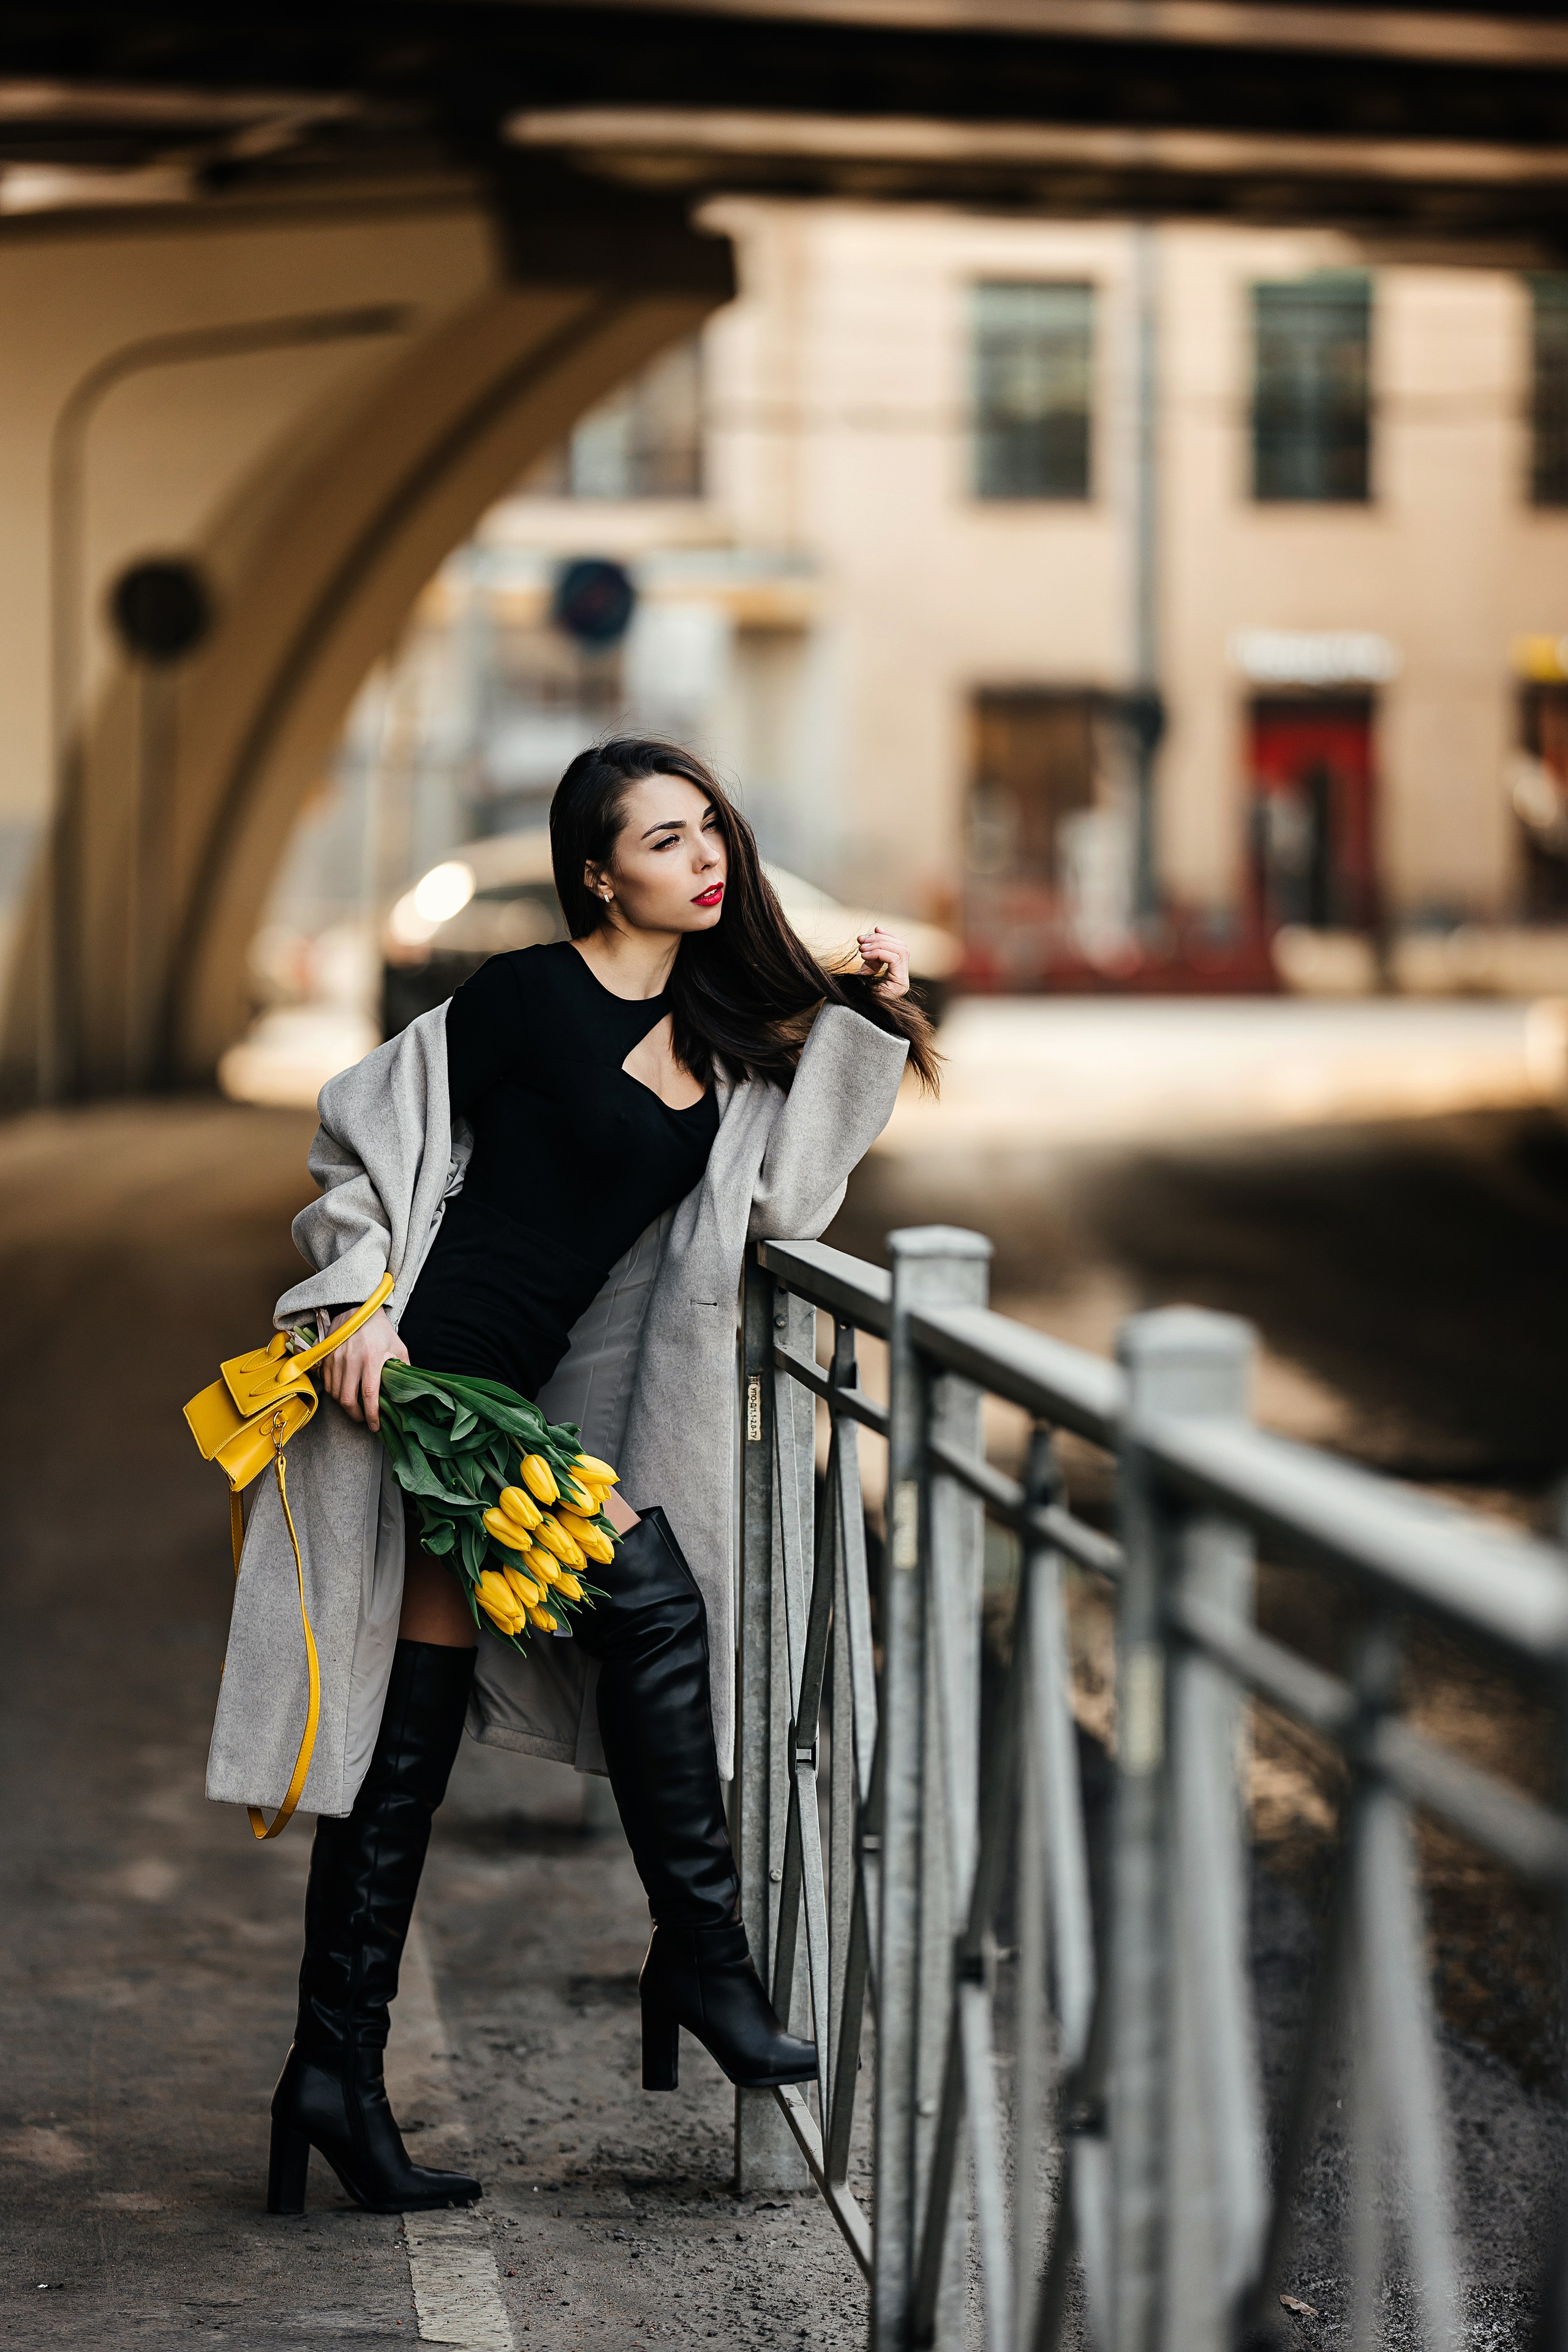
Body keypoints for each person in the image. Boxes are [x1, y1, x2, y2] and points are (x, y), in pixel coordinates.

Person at [209, 739, 937, 2217]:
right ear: (598, 871)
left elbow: (786, 1199)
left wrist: (863, 1022)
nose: (703, 855)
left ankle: (331, 2075)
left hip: (513, 1395)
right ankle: (699, 1957)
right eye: (664, 839)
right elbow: (366, 1130)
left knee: (407, 1741)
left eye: (710, 829)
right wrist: (360, 1301)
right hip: (435, 1386)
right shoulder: (527, 997)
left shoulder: (725, 1039)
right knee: (651, 1605)